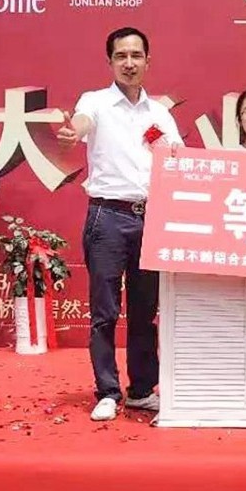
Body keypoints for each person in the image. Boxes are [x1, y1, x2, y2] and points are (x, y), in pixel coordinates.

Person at [57, 26, 183, 422]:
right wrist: (72, 131)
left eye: (136, 55)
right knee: (105, 311)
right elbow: (81, 123)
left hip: (151, 217)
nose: (129, 63)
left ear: (148, 61)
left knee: (145, 311)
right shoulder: (95, 102)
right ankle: (108, 391)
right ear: (110, 61)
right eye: (121, 56)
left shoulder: (159, 113)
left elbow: (177, 157)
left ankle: (142, 390)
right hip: (107, 216)